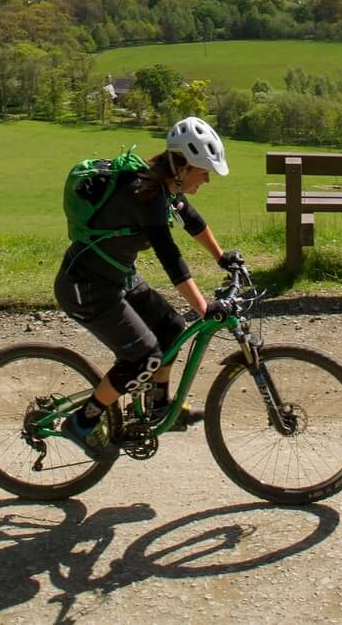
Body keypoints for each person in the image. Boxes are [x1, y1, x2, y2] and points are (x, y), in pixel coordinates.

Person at [55, 116, 241, 449]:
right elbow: (171, 258)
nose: (207, 180)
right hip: (86, 288)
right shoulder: (146, 195)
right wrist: (203, 308)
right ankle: (83, 422)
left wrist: (221, 256)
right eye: (204, 172)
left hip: (118, 277)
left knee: (171, 326)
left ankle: (158, 407)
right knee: (144, 358)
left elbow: (192, 220)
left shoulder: (163, 185)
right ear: (183, 167)